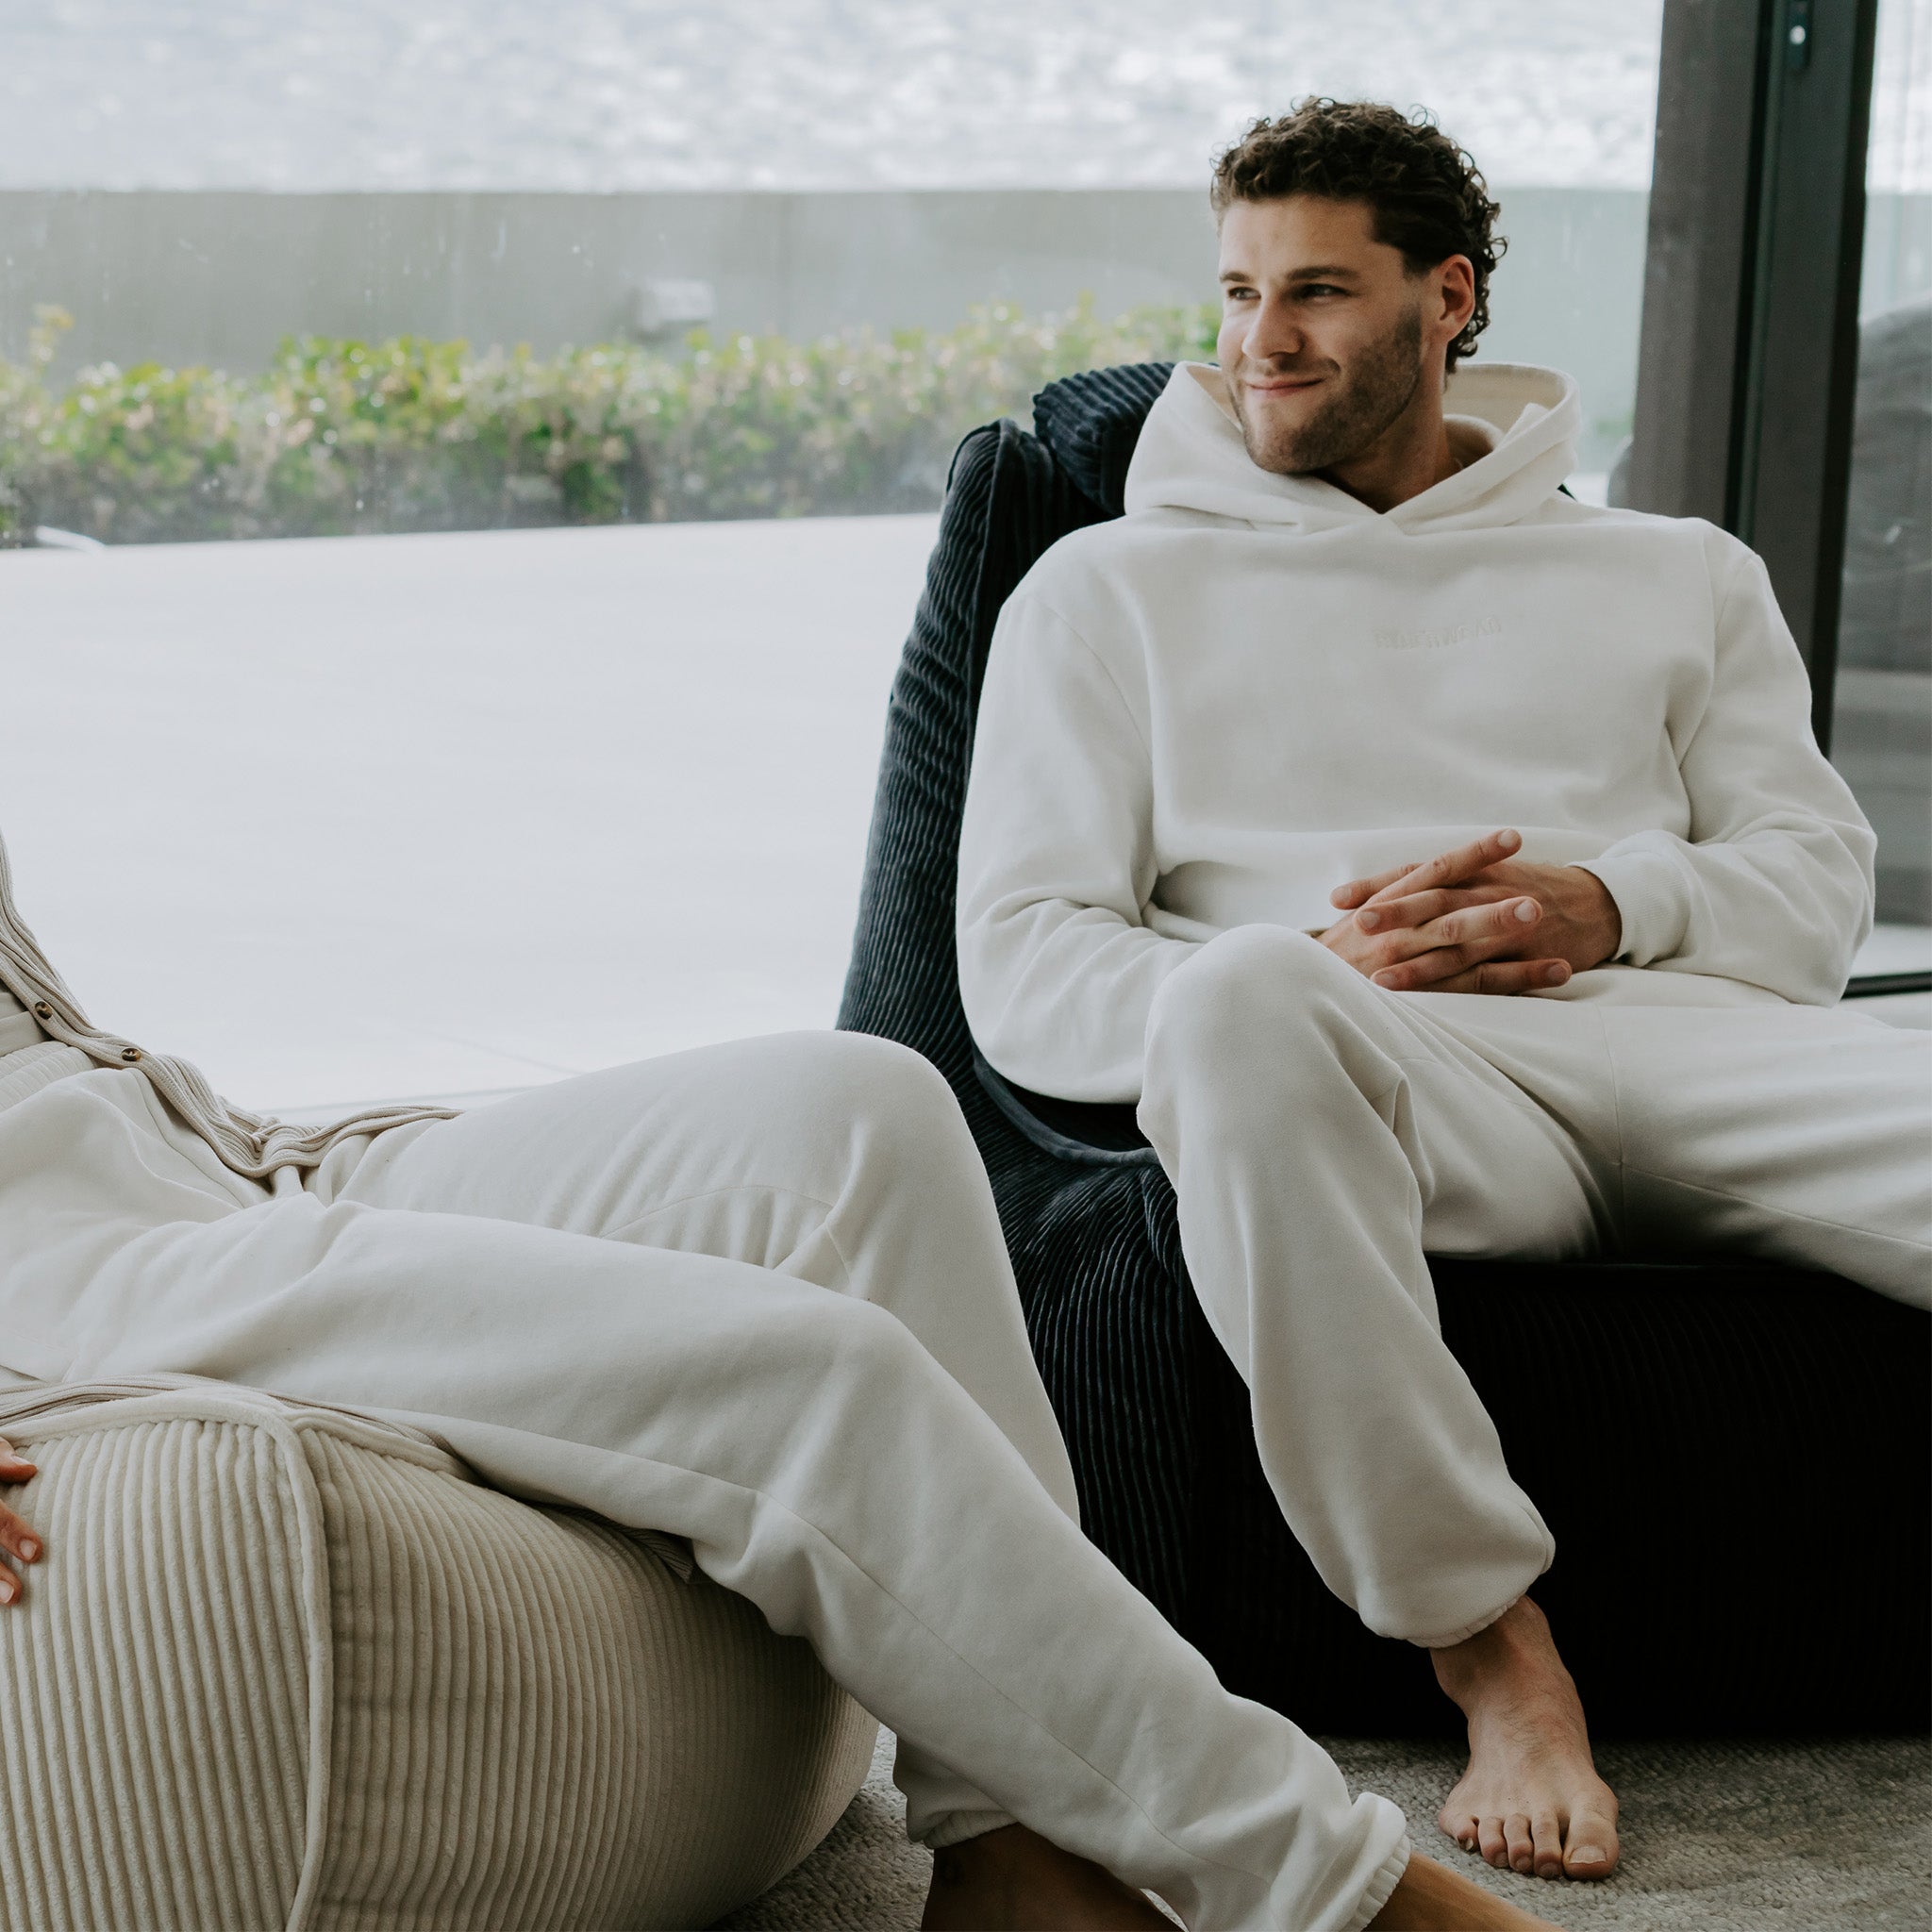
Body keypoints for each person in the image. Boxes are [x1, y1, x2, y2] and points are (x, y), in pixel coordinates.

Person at [957, 98, 1931, 1890]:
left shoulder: (1679, 573)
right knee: (1241, 1004)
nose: (1264, 341)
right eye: (1239, 292)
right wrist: (1318, 974)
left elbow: (1812, 899)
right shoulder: (1104, 592)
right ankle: (1494, 1650)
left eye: (1319, 292)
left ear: (1448, 300)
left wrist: (1610, 900)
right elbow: (1023, 965)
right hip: (1391, 1080)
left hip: (1708, 1050)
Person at [0, 827, 1553, 1932]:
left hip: (198, 1144)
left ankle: (1012, 1848)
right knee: (809, 1377)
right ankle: (1327, 1892)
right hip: (47, 1277)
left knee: (860, 1115)